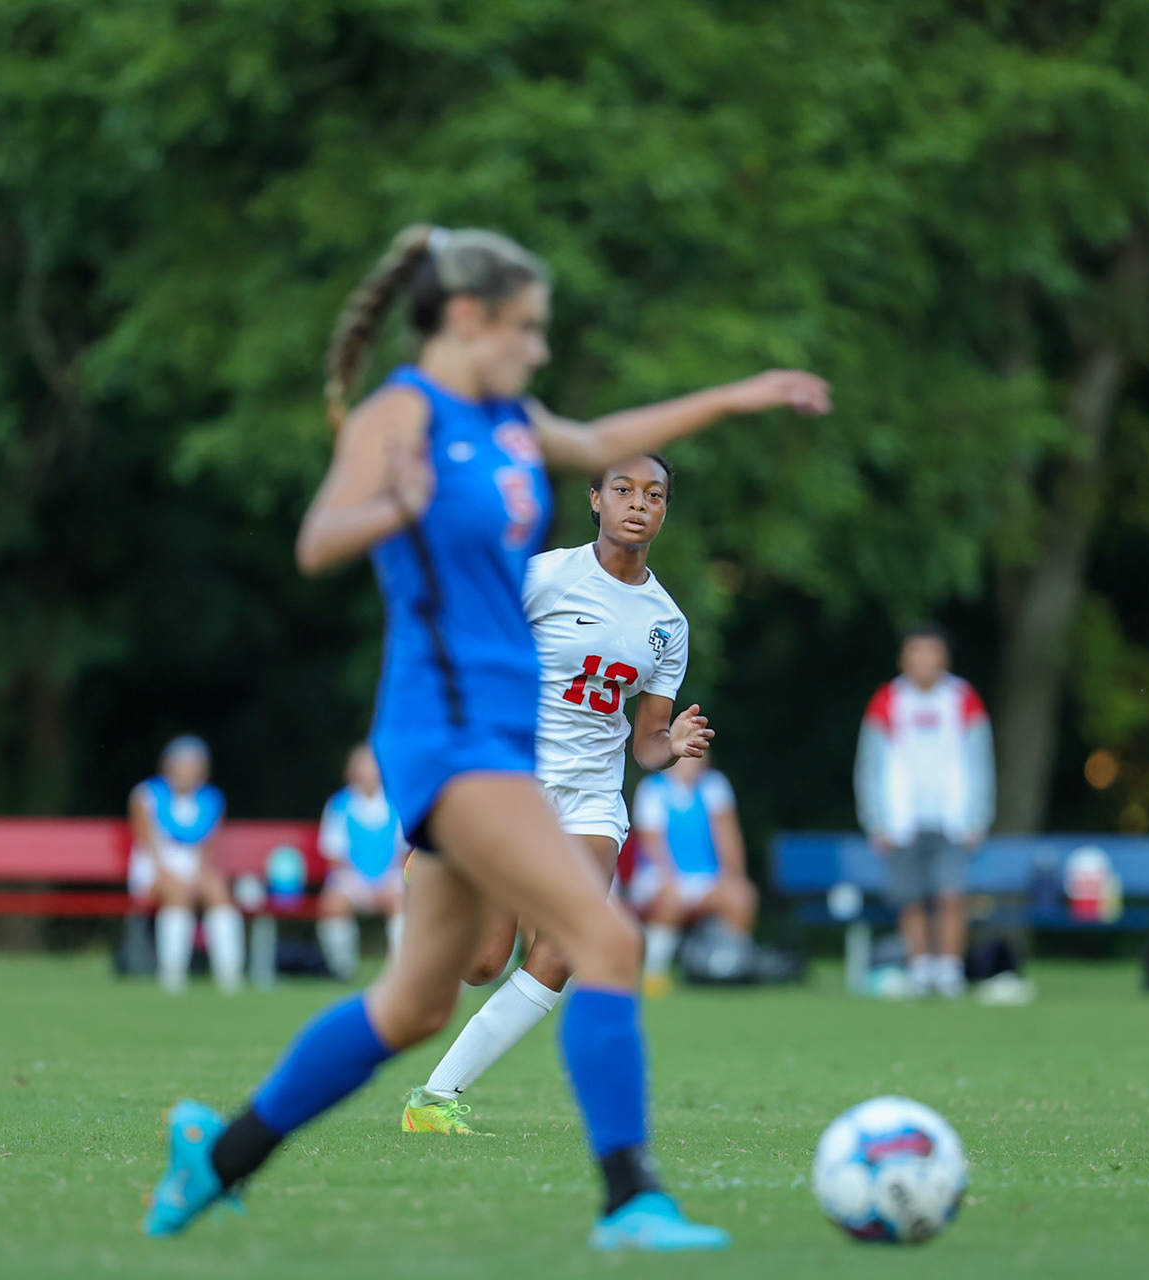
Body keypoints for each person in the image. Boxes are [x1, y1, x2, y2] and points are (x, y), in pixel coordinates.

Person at [140, 224, 828, 1251]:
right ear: (469, 317)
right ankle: (630, 1198)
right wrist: (392, 501)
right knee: (604, 938)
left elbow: (601, 441)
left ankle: (219, 1152)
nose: (539, 350)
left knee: (421, 999)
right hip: (448, 732)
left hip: (492, 741)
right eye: (528, 329)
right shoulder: (399, 415)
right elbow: (319, 539)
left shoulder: (505, 416)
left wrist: (736, 396)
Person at [400, 451, 711, 1135]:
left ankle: (434, 1099)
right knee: (481, 964)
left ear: (664, 510)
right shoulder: (543, 577)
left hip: (592, 798)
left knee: (571, 943)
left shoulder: (667, 624)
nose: (639, 503)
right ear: (596, 500)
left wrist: (675, 743)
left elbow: (646, 743)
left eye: (654, 494)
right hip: (514, 786)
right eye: (623, 490)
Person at [853, 624, 995, 998]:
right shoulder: (887, 700)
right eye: (916, 652)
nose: (924, 661)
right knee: (910, 898)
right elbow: (869, 763)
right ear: (904, 658)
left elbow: (980, 760)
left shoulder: (964, 699)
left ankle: (948, 970)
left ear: (944, 658)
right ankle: (920, 968)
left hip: (954, 818)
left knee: (952, 894)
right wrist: (876, 819)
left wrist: (978, 815)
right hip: (901, 819)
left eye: (932, 652)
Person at [627, 749, 758, 994]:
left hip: (706, 877)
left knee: (740, 898)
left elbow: (728, 838)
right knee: (670, 900)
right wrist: (670, 881)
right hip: (657, 875)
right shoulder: (652, 788)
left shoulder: (715, 786)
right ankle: (654, 973)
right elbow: (653, 844)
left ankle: (730, 967)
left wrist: (735, 878)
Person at [128, 736, 242, 994]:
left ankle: (228, 972)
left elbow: (206, 849)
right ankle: (173, 973)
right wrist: (171, 874)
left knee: (218, 890)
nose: (188, 771)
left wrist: (201, 876)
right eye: (182, 764)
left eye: (194, 765)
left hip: (192, 868)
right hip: (154, 868)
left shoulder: (212, 800)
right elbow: (148, 844)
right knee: (177, 892)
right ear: (168, 766)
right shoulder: (146, 795)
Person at [315, 742, 408, 980]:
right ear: (351, 771)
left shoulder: (395, 802)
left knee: (402, 901)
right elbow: (335, 856)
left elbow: (402, 854)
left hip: (390, 876)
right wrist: (363, 885)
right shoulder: (339, 804)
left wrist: (382, 883)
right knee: (333, 905)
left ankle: (400, 969)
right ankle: (342, 969)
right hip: (351, 878)